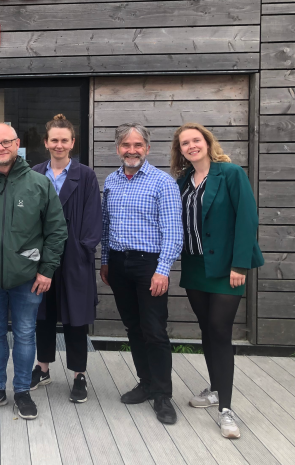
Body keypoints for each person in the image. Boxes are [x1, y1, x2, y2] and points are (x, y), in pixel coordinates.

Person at [0, 123, 67, 420]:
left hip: (28, 279)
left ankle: (21, 391)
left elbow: (56, 231)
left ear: (17, 143)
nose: (1, 148)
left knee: (24, 333)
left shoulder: (38, 184)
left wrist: (46, 270)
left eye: (6, 142)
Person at [171, 123, 263, 439]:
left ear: (207, 142)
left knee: (221, 331)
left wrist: (240, 263)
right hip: (196, 267)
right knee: (207, 329)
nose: (191, 146)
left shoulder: (231, 174)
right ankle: (214, 390)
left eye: (196, 140)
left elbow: (248, 218)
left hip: (227, 268)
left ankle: (226, 409)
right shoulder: (183, 181)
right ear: (180, 150)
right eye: (185, 143)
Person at [100, 123, 182, 425]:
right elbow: (106, 227)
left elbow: (174, 233)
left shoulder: (163, 183)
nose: (131, 150)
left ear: (147, 149)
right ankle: (145, 383)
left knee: (155, 331)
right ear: (117, 148)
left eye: (137, 145)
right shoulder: (111, 181)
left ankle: (163, 395)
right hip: (120, 265)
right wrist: (106, 260)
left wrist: (162, 271)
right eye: (125, 145)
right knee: (133, 328)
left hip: (151, 266)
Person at [30, 115, 102, 403]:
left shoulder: (85, 175)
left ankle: (79, 374)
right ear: (45, 142)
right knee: (42, 314)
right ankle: (43, 368)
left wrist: (84, 249)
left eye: (64, 140)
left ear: (72, 142)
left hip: (74, 257)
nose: (59, 145)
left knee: (76, 318)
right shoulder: (34, 172)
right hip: (40, 256)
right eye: (54, 140)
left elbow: (93, 218)